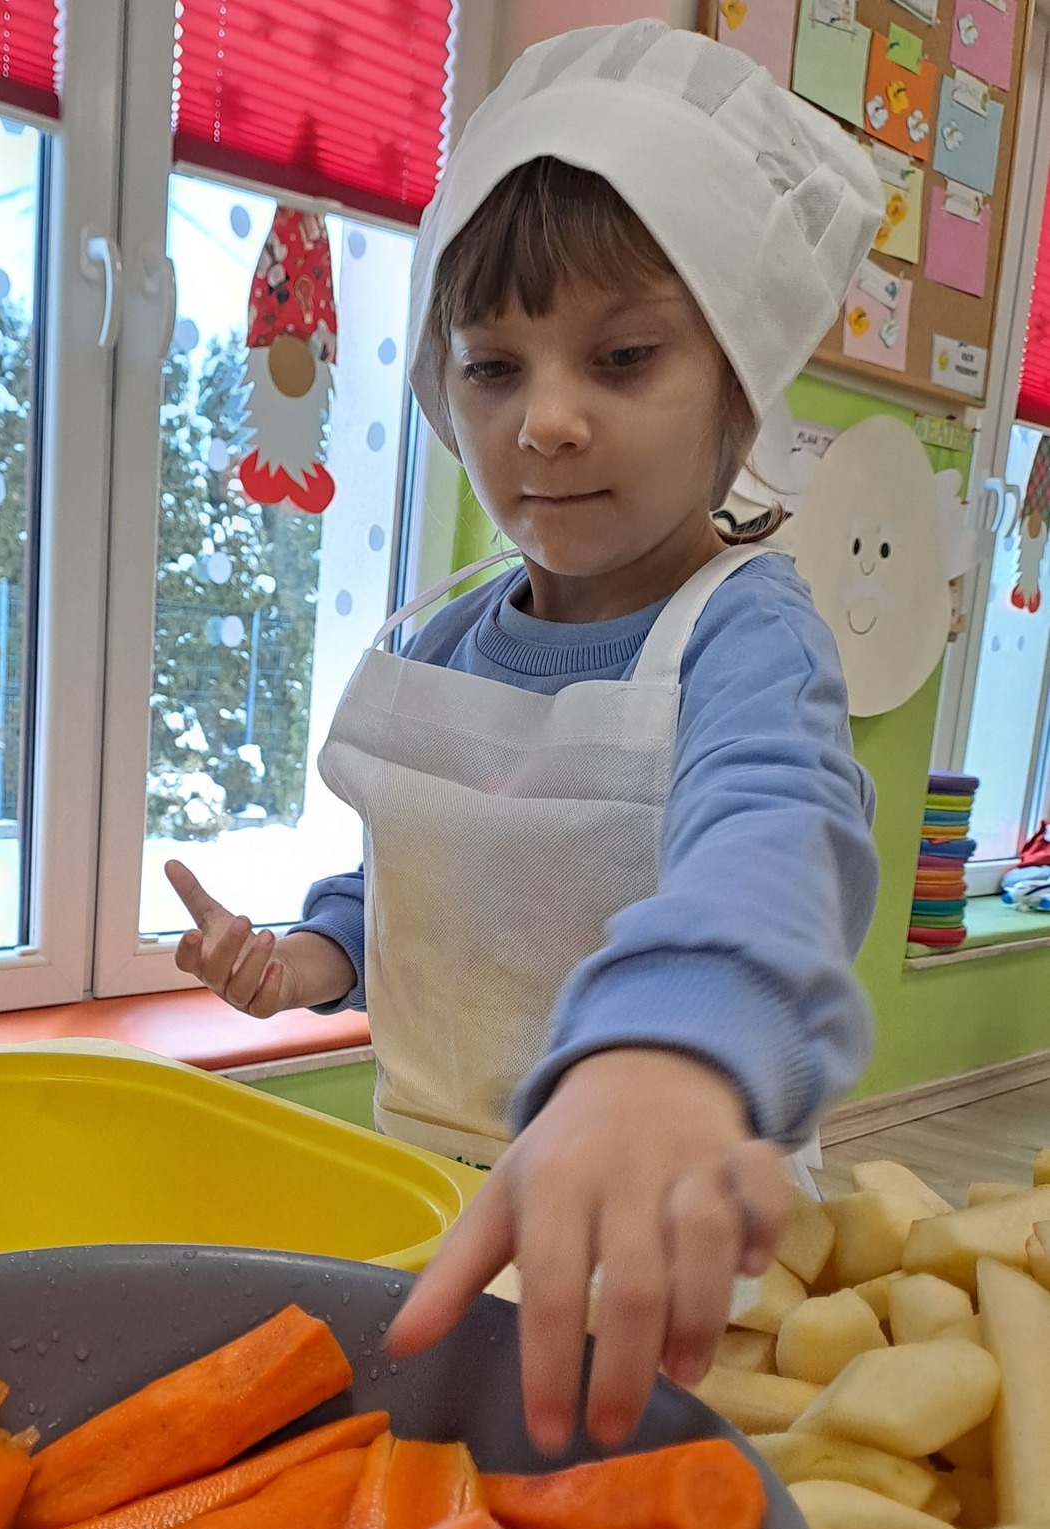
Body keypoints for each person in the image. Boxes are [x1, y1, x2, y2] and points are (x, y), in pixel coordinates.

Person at [167, 20, 883, 1455]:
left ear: (740, 389)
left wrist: (669, 1054)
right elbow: (425, 885)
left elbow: (774, 839)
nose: (547, 421)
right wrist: (306, 957)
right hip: (432, 1189)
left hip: (664, 1202)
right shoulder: (442, 636)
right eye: (494, 367)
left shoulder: (747, 635)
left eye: (622, 359)